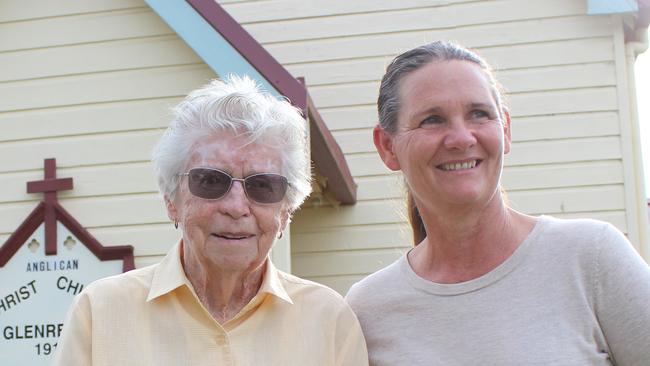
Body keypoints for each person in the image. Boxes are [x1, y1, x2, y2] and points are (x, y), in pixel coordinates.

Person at [345, 41, 650, 365]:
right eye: (432, 120)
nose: (462, 138)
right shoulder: (367, 310)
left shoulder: (590, 257)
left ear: (505, 128)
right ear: (387, 146)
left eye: (479, 114)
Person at [54, 76, 368, 366]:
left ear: (286, 211)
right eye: (210, 181)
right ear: (171, 201)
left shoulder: (328, 321)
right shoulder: (101, 313)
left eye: (262, 186)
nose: (235, 207)